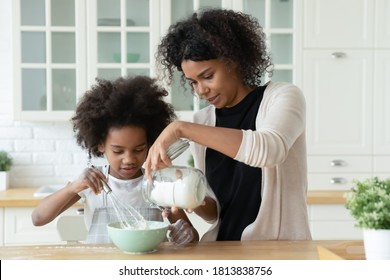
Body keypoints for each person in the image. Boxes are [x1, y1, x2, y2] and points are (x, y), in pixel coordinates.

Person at [145, 8, 312, 241]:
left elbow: (269, 150)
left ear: (232, 61)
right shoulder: (202, 122)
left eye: (207, 76)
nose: (201, 90)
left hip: (278, 252)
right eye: (193, 82)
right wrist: (190, 195)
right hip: (222, 250)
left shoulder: (283, 97)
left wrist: (179, 128)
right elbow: (215, 213)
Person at [32, 75, 198, 245]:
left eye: (139, 149)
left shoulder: (159, 183)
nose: (129, 159)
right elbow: (38, 218)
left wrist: (184, 234)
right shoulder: (93, 183)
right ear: (100, 144)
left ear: (151, 144)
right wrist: (72, 188)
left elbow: (191, 237)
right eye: (118, 151)